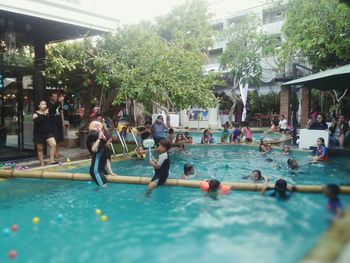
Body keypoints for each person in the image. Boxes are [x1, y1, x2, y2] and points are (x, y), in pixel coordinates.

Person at [86, 122, 116, 187]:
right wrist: (99, 138)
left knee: (103, 188)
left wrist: (111, 172)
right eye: (109, 142)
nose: (110, 144)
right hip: (96, 171)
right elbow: (93, 149)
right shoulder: (99, 147)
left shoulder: (106, 149)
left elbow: (107, 161)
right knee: (103, 189)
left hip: (101, 171)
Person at [33, 100, 57, 166]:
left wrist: (59, 101)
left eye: (45, 104)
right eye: (42, 104)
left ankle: (51, 160)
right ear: (39, 106)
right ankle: (42, 163)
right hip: (39, 133)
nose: (44, 105)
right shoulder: (35, 114)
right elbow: (37, 122)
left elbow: (54, 107)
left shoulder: (47, 112)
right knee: (40, 149)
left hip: (48, 132)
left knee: (53, 144)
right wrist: (44, 114)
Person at [48, 92, 64, 158]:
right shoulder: (49, 104)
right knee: (54, 138)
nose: (55, 98)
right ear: (51, 97)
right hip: (52, 122)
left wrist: (63, 122)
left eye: (56, 97)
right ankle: (53, 153)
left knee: (59, 138)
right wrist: (58, 101)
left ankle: (57, 152)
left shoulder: (59, 104)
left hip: (59, 121)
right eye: (53, 97)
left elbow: (61, 113)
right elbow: (51, 110)